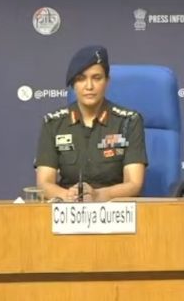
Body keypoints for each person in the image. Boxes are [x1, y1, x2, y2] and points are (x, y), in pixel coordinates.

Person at [35, 45, 147, 201]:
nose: (89, 86)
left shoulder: (129, 121)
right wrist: (68, 196)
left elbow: (134, 184)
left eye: (97, 78)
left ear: (107, 81)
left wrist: (98, 195)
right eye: (81, 79)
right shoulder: (53, 123)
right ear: (73, 84)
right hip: (68, 212)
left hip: (116, 213)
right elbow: (44, 183)